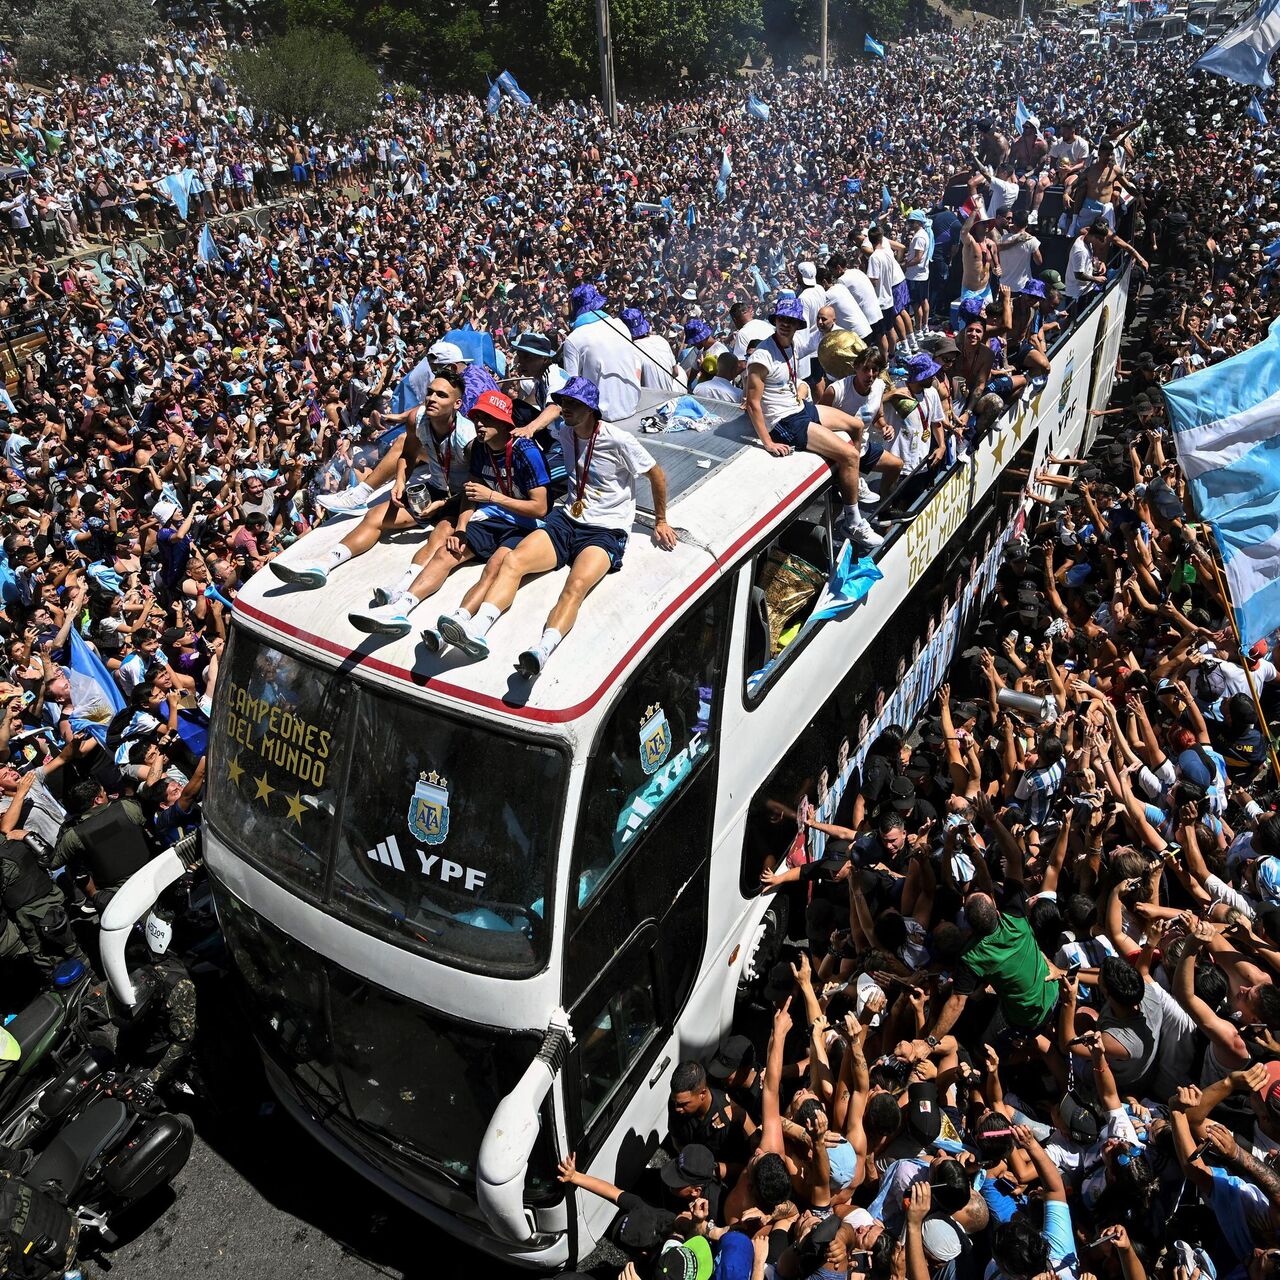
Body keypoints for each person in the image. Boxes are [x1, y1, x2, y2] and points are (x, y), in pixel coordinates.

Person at [435, 377, 676, 676]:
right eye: (564, 402)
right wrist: (532, 427)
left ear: (590, 408)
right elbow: (548, 413)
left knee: (575, 585)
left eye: (573, 403)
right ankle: (479, 629)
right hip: (566, 519)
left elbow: (657, 475)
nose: (566, 408)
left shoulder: (618, 439)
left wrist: (660, 520)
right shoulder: (565, 430)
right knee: (513, 561)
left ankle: (543, 649)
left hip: (605, 529)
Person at [349, 390, 550, 641]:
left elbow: (540, 508)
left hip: (524, 526)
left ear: (503, 422)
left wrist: (492, 497)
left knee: (495, 567)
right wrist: (462, 528)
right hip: (490, 517)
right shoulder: (480, 446)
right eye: (476, 417)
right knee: (447, 550)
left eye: (486, 418)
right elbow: (470, 492)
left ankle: (460, 622)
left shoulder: (526, 452)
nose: (479, 423)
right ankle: (399, 609)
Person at [269, 371, 473, 590]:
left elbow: (479, 486)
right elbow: (408, 454)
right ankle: (322, 564)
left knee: (441, 534)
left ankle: (401, 591)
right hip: (435, 489)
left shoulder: (467, 438)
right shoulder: (418, 418)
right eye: (430, 392)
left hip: (463, 500)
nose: (432, 398)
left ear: (457, 403)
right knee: (374, 515)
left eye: (441, 395)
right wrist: (400, 481)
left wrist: (444, 505)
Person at [743, 298, 883, 549]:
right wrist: (768, 442)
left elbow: (793, 377)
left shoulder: (792, 344)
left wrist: (802, 387)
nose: (785, 324)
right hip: (784, 421)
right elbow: (753, 403)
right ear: (775, 321)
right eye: (781, 319)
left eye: (791, 320)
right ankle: (852, 521)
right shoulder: (762, 356)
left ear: (797, 324)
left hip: (799, 407)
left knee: (857, 426)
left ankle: (854, 482)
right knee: (850, 455)